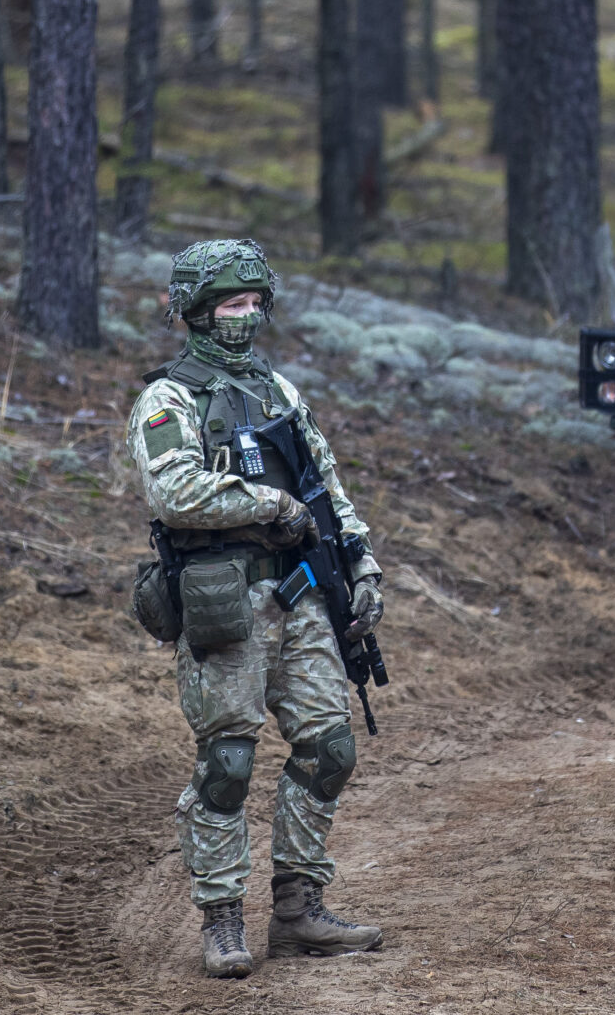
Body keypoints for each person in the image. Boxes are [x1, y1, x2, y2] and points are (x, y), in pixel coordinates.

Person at [127, 238, 387, 978]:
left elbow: (326, 486)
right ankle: (222, 918)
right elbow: (173, 491)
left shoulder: (280, 391)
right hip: (223, 601)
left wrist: (360, 560)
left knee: (330, 747)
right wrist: (267, 502)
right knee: (229, 763)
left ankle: (300, 910)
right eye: (228, 305)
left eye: (251, 304)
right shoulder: (167, 399)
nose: (243, 318)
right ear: (196, 312)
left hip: (299, 593)